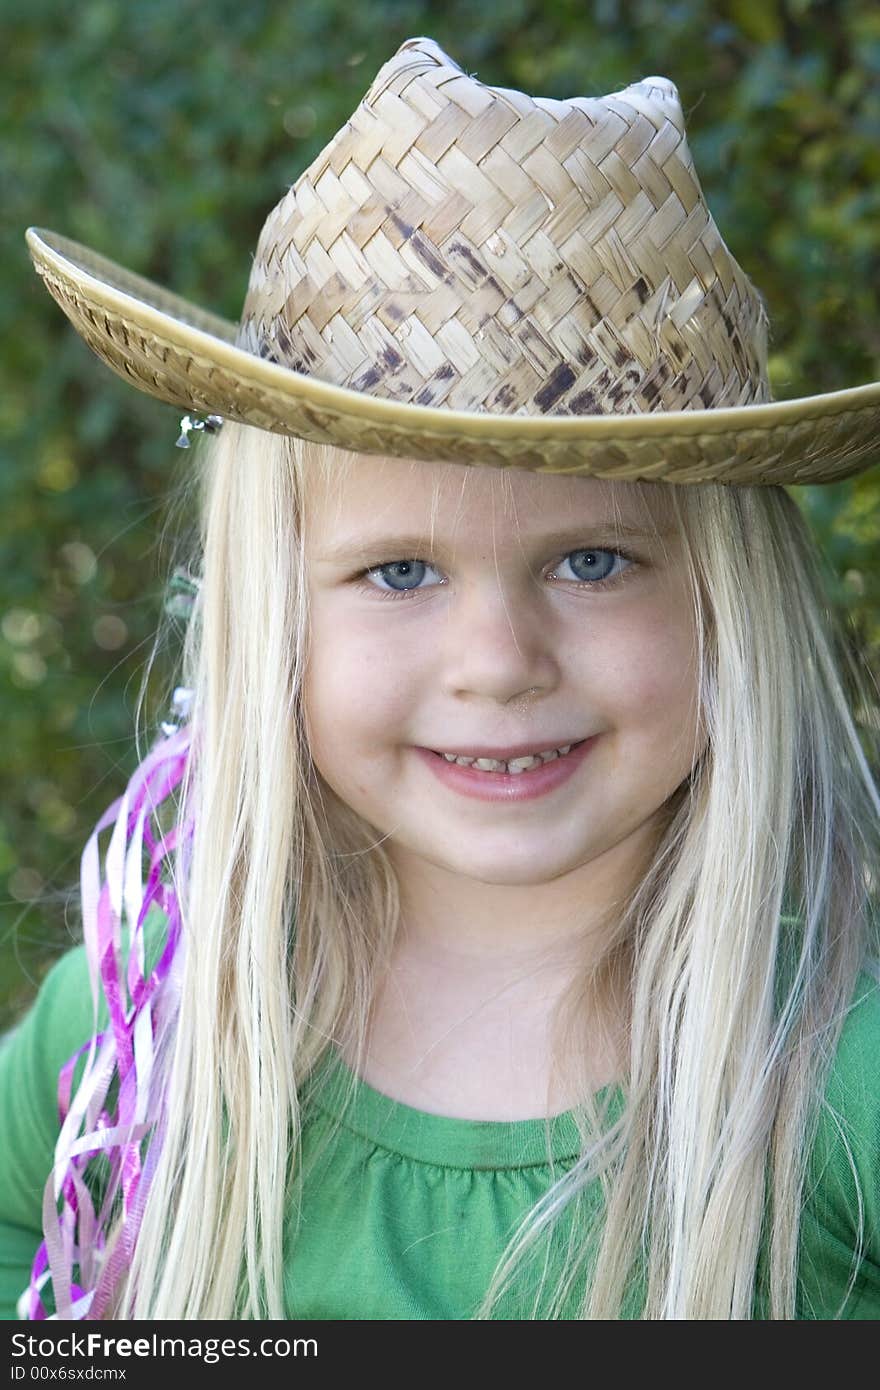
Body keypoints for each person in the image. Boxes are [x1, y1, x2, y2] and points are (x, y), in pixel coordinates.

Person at [3, 35, 879, 1321]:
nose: (499, 665)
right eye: (401, 573)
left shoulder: (836, 1064)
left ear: (724, 605)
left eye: (591, 560)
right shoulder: (151, 1018)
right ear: (273, 616)